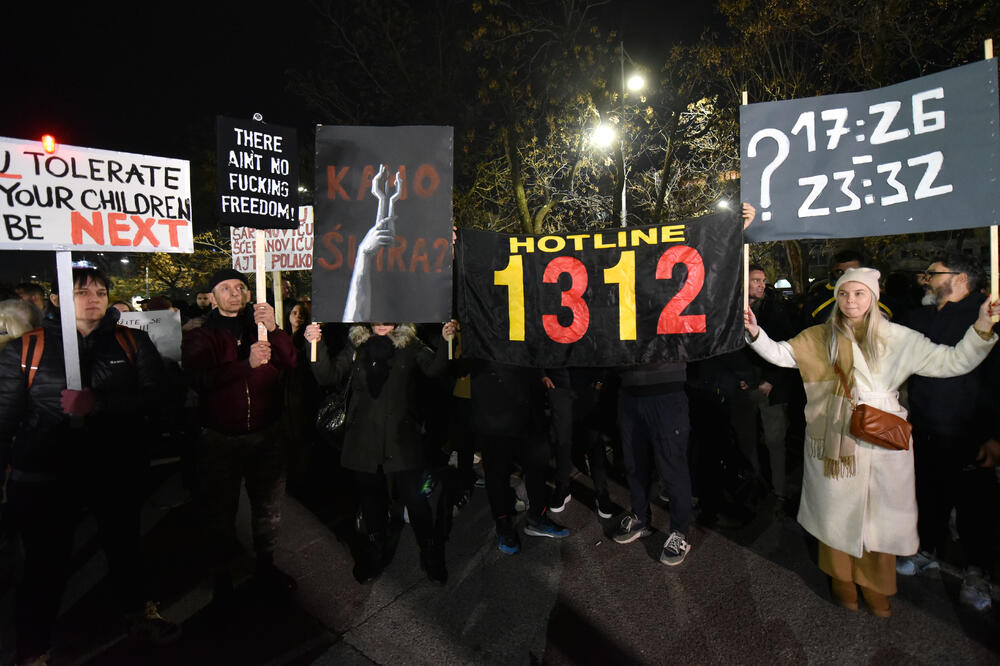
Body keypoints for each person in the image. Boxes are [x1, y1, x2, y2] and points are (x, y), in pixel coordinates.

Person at [744, 266, 999, 617]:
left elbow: (952, 361)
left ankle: (876, 584)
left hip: (881, 438)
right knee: (835, 515)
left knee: (880, 519)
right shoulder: (821, 336)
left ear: (873, 297)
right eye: (845, 294)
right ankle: (842, 579)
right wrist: (755, 331)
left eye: (859, 293)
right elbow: (782, 354)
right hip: (833, 437)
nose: (851, 300)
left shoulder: (898, 337)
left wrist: (982, 327)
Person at [0, 268, 179, 664]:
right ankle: (33, 649)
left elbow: (158, 399)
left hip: (114, 468)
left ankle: (138, 612)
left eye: (101, 291)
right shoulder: (24, 350)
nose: (94, 298)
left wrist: (98, 404)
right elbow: (4, 418)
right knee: (44, 566)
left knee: (125, 547)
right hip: (46, 476)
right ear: (58, 299)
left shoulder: (132, 341)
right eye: (81, 291)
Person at [305, 319, 456, 584]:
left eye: (389, 316)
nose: (382, 323)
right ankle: (375, 551)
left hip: (402, 440)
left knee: (415, 498)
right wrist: (314, 343)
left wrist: (447, 340)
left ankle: (430, 552)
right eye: (377, 316)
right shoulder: (357, 343)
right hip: (364, 440)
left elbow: (435, 369)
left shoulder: (410, 343)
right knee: (371, 500)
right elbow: (328, 375)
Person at [182, 268, 298, 600]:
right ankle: (222, 575)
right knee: (220, 511)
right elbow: (200, 379)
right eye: (225, 288)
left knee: (268, 509)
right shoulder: (200, 334)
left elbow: (290, 360)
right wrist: (244, 365)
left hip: (266, 436)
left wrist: (274, 329)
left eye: (240, 287)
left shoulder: (259, 328)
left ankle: (266, 565)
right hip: (220, 439)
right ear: (211, 296)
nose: (235, 293)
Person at [896, 252, 1000, 611]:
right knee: (928, 494)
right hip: (925, 426)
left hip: (972, 431)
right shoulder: (919, 317)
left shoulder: (989, 316)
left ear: (960, 278)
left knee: (976, 506)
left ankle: (978, 571)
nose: (925, 279)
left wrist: (995, 436)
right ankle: (927, 549)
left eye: (933, 274)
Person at [612, 360, 694, 566]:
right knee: (634, 463)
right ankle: (640, 516)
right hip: (629, 391)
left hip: (666, 392)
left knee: (672, 469)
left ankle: (679, 533)